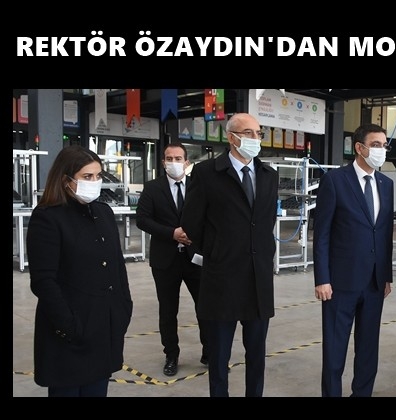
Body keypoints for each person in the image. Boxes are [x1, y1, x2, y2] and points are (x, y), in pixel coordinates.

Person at [181, 113, 279, 397]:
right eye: (248, 133)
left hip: (258, 280)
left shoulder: (268, 175)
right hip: (222, 279)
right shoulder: (206, 173)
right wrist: (217, 250)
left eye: (259, 133)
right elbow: (191, 223)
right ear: (231, 137)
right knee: (219, 356)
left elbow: (266, 221)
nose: (255, 139)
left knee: (256, 355)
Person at [26, 145, 133, 397]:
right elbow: (43, 281)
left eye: (98, 176)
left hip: (103, 327)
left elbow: (117, 267)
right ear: (66, 180)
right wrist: (70, 325)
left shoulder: (103, 213)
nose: (94, 182)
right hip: (70, 332)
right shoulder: (48, 217)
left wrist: (123, 308)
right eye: (87, 176)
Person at [313, 123, 395, 397]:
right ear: (359, 148)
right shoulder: (335, 180)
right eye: (376, 145)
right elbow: (322, 234)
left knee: (368, 347)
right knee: (335, 348)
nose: (381, 150)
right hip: (340, 282)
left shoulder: (386, 184)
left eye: (384, 145)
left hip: (374, 282)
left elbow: (384, 233)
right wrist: (322, 278)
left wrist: (386, 276)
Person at [136, 143, 207, 376]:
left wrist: (194, 235)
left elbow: (209, 216)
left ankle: (209, 351)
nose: (173, 162)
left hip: (195, 257)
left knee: (205, 307)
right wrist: (171, 233)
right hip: (165, 260)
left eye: (178, 158)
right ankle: (171, 355)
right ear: (163, 162)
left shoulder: (198, 186)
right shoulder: (152, 188)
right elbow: (142, 219)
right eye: (169, 158)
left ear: (187, 162)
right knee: (168, 311)